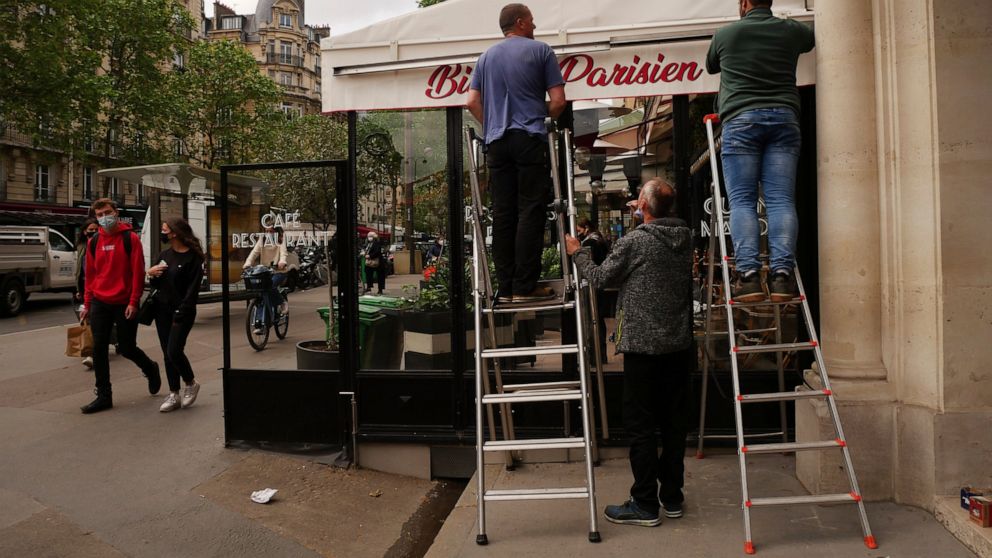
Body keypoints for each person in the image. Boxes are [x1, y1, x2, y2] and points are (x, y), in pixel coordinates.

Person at [565, 178, 694, 526]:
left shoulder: (636, 241)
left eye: (639, 198)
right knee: (672, 424)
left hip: (641, 346)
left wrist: (577, 252)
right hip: (678, 345)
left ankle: (645, 504)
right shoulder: (685, 238)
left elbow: (601, 277)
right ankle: (672, 497)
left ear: (645, 207)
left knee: (640, 426)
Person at [705, 0, 815, 302]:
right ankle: (781, 276)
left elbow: (711, 65)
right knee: (780, 200)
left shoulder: (726, 34)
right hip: (784, 118)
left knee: (742, 201)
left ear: (743, 3)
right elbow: (811, 39)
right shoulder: (790, 30)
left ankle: (749, 276)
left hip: (740, 121)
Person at [466, 3, 566, 303]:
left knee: (503, 213)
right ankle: (525, 285)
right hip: (529, 137)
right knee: (531, 209)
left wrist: (494, 122)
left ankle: (506, 287)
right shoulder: (542, 51)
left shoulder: (485, 57)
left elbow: (471, 101)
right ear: (520, 22)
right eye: (532, 21)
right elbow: (559, 101)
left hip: (496, 142)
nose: (535, 26)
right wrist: (536, 115)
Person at [78, 198, 161, 414]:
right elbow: (91, 277)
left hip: (124, 302)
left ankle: (150, 368)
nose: (104, 217)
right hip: (99, 301)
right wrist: (86, 304)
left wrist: (134, 301)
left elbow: (136, 273)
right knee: (98, 348)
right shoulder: (93, 241)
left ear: (116, 212)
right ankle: (104, 395)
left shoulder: (130, 239)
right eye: (99, 215)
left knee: (126, 347)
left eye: (107, 212)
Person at [146, 217, 204, 413]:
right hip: (162, 310)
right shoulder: (164, 254)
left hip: (183, 311)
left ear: (175, 233)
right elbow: (156, 285)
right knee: (166, 353)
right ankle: (173, 393)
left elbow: (193, 290)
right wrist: (151, 273)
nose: (162, 232)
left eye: (165, 229)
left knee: (174, 350)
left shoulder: (193, 258)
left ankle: (190, 382)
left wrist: (182, 310)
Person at [575, 218, 610, 360]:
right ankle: (600, 354)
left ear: (586, 228)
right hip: (599, 286)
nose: (578, 233)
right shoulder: (599, 239)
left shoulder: (590, 243)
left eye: (579, 230)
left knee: (592, 320)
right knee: (598, 320)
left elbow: (589, 264)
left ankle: (594, 355)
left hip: (592, 283)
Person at [243, 224, 288, 333]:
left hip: (278, 271)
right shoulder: (262, 240)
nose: (268, 233)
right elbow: (254, 253)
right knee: (262, 293)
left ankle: (282, 302)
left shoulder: (280, 240)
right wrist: (248, 263)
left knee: (270, 286)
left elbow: (283, 253)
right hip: (265, 272)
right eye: (266, 231)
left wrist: (282, 261)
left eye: (271, 231)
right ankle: (260, 324)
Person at [74, 218, 99, 369]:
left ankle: (92, 354)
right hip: (85, 287)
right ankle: (91, 352)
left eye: (96, 229)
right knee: (87, 320)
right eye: (91, 230)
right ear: (84, 231)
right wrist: (78, 289)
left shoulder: (100, 245)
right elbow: (79, 269)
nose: (94, 232)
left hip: (98, 288)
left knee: (92, 321)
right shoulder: (81, 246)